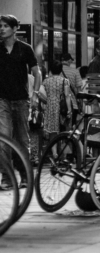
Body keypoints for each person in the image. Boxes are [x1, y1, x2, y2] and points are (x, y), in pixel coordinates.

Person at [0, 15, 41, 190]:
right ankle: (7, 178)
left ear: (15, 28)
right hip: (3, 100)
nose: (1, 29)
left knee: (23, 140)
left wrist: (35, 94)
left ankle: (24, 175)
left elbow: (36, 72)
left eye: (5, 26)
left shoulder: (25, 49)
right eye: (0, 26)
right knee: (4, 140)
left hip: (22, 100)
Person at [41, 60, 74, 142]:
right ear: (60, 70)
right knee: (63, 129)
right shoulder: (65, 81)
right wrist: (69, 110)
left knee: (52, 131)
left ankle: (55, 153)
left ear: (51, 70)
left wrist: (46, 102)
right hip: (61, 107)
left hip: (50, 107)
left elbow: (40, 93)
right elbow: (67, 95)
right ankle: (62, 152)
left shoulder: (46, 81)